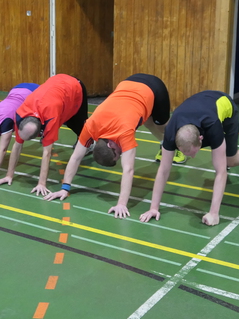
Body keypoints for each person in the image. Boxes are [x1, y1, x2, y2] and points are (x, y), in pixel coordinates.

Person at [43, 74, 186, 218]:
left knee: (162, 126)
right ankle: (163, 144)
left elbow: (128, 169)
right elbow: (75, 157)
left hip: (153, 87)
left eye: (118, 154)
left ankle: (175, 146)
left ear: (111, 145)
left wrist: (121, 204)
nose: (122, 153)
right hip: (128, 83)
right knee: (148, 122)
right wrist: (65, 188)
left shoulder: (123, 132)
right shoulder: (90, 127)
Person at [139, 90, 239, 226]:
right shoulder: (171, 132)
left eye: (193, 152)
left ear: (201, 139)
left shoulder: (212, 126)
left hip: (225, 108)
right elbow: (163, 170)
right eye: (187, 154)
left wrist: (214, 213)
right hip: (201, 105)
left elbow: (221, 172)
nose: (192, 157)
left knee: (230, 160)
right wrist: (153, 208)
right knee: (220, 161)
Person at [0, 74, 88, 196]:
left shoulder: (51, 117)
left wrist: (41, 183)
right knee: (69, 121)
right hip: (55, 86)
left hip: (74, 87)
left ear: (39, 133)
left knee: (78, 126)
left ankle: (90, 143)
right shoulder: (20, 114)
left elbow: (47, 152)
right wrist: (9, 175)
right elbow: (17, 145)